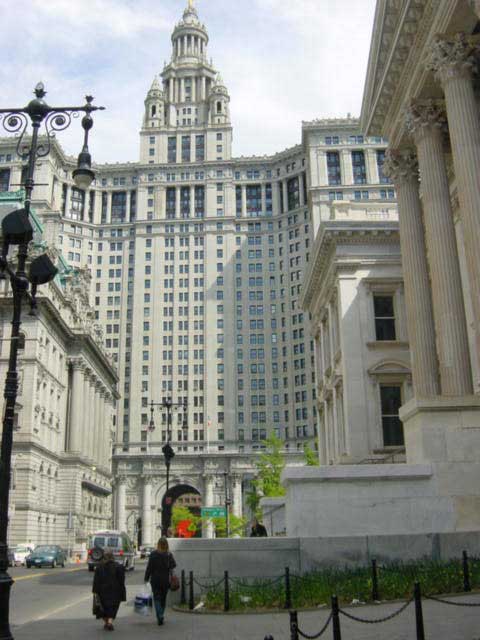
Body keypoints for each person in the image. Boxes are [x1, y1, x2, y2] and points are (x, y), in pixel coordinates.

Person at [144, 537, 177, 626]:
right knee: (163, 598)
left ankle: (160, 615)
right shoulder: (169, 555)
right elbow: (173, 567)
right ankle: (161, 614)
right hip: (165, 580)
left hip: (155, 580)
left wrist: (146, 578)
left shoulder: (153, 554)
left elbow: (149, 568)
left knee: (157, 598)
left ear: (158, 544)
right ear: (166, 545)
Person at [92, 550, 126, 631]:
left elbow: (96, 580)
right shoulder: (119, 567)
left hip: (102, 591)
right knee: (113, 607)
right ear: (113, 557)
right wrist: (122, 590)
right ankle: (110, 622)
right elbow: (122, 580)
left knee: (102, 608)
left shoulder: (99, 567)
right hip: (116, 590)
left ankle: (107, 622)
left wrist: (95, 591)